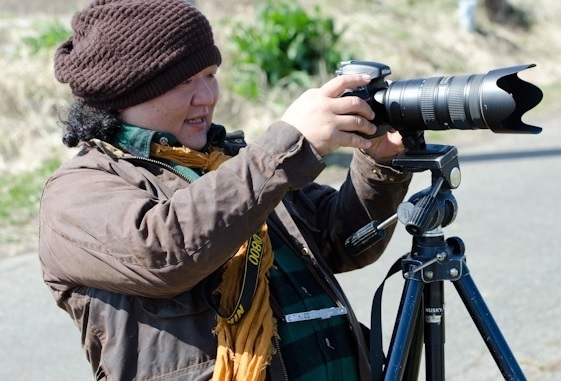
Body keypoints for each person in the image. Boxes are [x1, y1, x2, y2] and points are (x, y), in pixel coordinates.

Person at [38, 0, 412, 380]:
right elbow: (165, 253)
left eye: (210, 74)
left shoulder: (234, 162)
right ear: (125, 91)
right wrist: (287, 145)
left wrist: (379, 163)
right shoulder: (76, 190)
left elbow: (340, 241)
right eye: (183, 80)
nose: (207, 96)